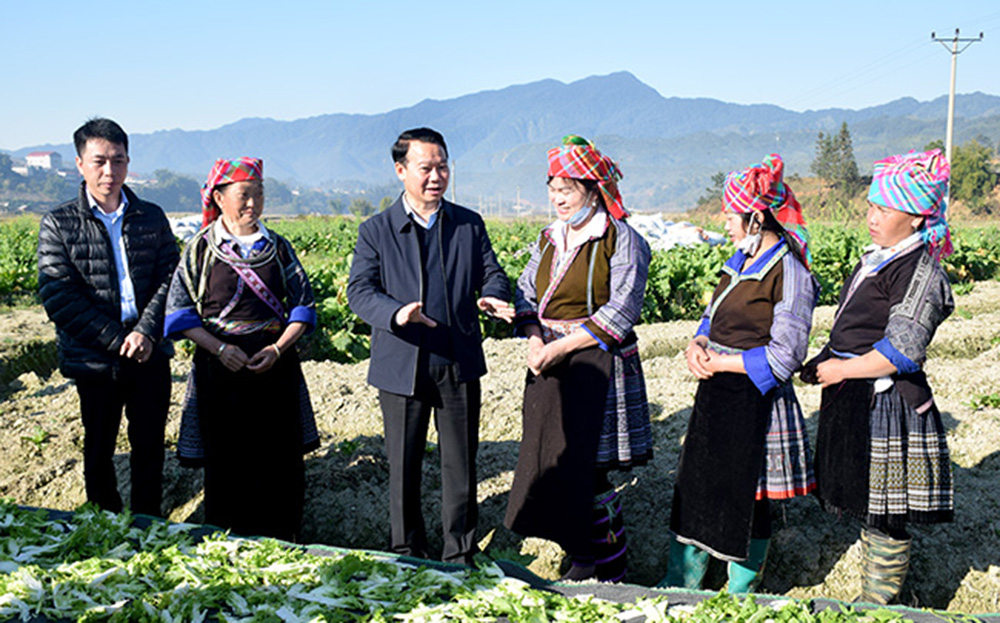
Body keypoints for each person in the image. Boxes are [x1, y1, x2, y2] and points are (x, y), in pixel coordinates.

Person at [347, 127, 513, 565]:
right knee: (403, 465)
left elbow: (492, 273)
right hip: (401, 363)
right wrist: (396, 313)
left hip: (456, 359)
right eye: (426, 168)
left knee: (461, 464)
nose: (436, 176)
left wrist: (493, 294)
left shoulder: (468, 224)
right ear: (401, 171)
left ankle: (458, 551)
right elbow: (360, 291)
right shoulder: (377, 230)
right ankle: (407, 550)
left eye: (442, 166)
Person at [801, 149, 954, 604]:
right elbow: (853, 325)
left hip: (890, 402)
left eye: (883, 209)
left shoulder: (921, 271)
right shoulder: (877, 259)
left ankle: (878, 606)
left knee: (887, 513)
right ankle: (872, 601)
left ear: (914, 218)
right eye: (870, 206)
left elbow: (902, 351)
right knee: (871, 503)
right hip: (857, 393)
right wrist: (819, 362)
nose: (871, 217)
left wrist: (840, 369)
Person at [661, 154, 818, 593]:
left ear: (755, 217)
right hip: (717, 394)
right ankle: (681, 582)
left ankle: (739, 591)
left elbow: (786, 355)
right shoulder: (739, 259)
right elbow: (713, 316)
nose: (724, 222)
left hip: (756, 401)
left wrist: (724, 363)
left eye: (730, 214)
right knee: (698, 485)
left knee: (749, 495)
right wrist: (698, 343)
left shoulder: (790, 271)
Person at [504, 135, 652, 583]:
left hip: (597, 365)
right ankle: (579, 555)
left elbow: (621, 310)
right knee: (557, 458)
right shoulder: (549, 239)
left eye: (566, 188)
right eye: (552, 187)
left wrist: (561, 346)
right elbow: (526, 293)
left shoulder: (621, 239)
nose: (557, 197)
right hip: (550, 364)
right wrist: (534, 339)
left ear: (593, 189)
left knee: (592, 468)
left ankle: (604, 567)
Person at [164, 157, 318, 541]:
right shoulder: (200, 249)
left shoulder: (279, 248)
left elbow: (304, 307)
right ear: (218, 197)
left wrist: (279, 349)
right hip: (221, 373)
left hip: (274, 369)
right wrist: (219, 349)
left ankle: (283, 542)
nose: (253, 204)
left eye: (259, 195)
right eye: (244, 195)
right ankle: (227, 546)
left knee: (280, 461)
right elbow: (178, 314)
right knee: (227, 463)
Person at [37, 118, 179, 517]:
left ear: (128, 163)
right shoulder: (59, 223)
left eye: (117, 160)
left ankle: (147, 523)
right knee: (99, 445)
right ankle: (104, 523)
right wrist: (120, 340)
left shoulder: (150, 217)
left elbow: (171, 278)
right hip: (95, 357)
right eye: (99, 161)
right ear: (79, 164)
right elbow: (58, 296)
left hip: (149, 351)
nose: (109, 171)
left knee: (150, 443)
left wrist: (147, 332)